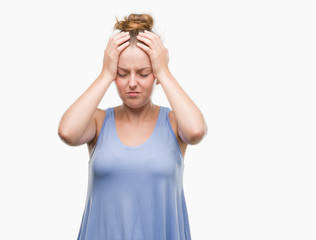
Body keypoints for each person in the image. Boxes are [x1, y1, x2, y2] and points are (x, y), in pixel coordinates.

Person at [57, 13, 207, 240]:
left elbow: (196, 131)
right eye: (122, 73)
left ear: (155, 74)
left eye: (144, 73)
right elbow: (67, 132)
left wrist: (164, 71)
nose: (133, 83)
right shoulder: (98, 122)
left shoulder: (174, 123)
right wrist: (105, 73)